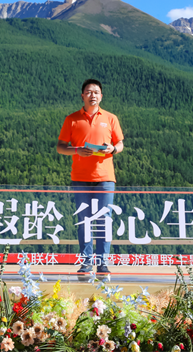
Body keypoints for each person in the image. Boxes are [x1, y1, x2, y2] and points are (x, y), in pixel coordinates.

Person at [56, 79, 124, 273]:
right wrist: (77, 150)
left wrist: (113, 149)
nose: (92, 95)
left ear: (101, 96)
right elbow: (60, 147)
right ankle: (86, 262)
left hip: (105, 178)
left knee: (104, 221)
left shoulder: (110, 118)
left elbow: (120, 143)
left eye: (96, 92)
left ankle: (102, 262)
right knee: (84, 220)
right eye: (88, 92)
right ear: (82, 96)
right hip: (80, 178)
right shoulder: (72, 119)